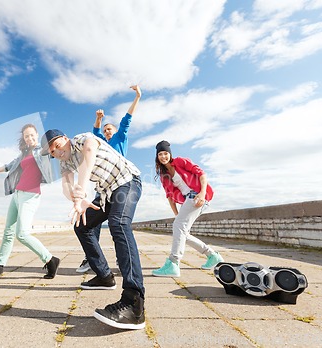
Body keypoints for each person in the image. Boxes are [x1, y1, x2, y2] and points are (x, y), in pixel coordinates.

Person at [41, 129, 145, 330]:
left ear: (65, 138)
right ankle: (104, 276)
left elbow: (90, 150)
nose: (56, 152)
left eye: (57, 145)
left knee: (119, 224)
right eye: (52, 152)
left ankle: (134, 303)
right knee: (81, 225)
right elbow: (66, 184)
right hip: (107, 193)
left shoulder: (80, 139)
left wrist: (81, 189)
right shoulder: (65, 162)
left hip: (127, 181)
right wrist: (76, 198)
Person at [0, 124, 60, 280]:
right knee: (8, 232)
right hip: (16, 194)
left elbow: (55, 150)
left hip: (30, 196)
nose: (29, 138)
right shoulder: (23, 154)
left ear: (37, 135)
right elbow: (9, 166)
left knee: (22, 234)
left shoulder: (43, 150)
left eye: (31, 135)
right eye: (26, 136)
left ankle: (50, 259)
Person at [76, 85, 142, 273]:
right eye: (105, 130)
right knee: (91, 223)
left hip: (122, 182)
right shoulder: (101, 142)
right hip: (104, 186)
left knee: (119, 224)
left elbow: (127, 119)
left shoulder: (120, 137)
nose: (107, 132)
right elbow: (93, 135)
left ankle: (123, 260)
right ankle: (91, 258)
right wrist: (98, 120)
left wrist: (137, 96)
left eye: (109, 129)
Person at [152, 140, 223, 277]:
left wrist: (202, 193)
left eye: (165, 153)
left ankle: (173, 263)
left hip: (197, 196)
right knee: (182, 232)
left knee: (179, 228)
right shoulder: (163, 175)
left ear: (170, 154)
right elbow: (170, 197)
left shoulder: (180, 161)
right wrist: (177, 215)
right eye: (160, 154)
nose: (163, 156)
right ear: (157, 157)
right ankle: (213, 256)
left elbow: (202, 174)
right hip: (188, 200)